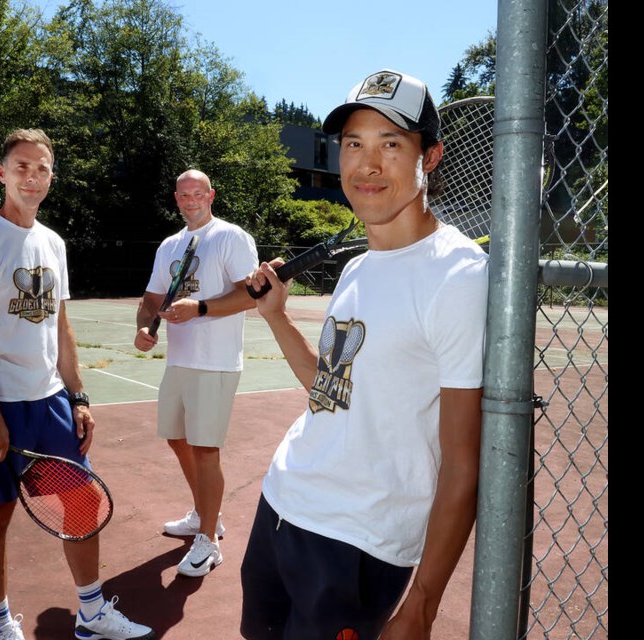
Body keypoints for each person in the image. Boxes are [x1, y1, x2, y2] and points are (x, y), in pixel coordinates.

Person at [239, 70, 489, 639]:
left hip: (359, 543)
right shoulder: (357, 268)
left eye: (390, 145)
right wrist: (275, 317)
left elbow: (462, 464)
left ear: (430, 157)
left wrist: (422, 604)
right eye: (354, 144)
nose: (366, 165)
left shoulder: (458, 278)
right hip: (281, 503)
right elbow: (331, 389)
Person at [0, 128, 154, 640]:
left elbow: (59, 327)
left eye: (41, 168)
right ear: (2, 173)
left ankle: (91, 611)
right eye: (21, 166)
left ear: (51, 177)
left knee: (80, 501)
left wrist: (77, 395)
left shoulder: (53, 243)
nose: (31, 176)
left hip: (50, 404)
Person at [134, 169, 259, 577]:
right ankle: (207, 513)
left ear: (211, 195)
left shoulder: (231, 237)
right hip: (179, 361)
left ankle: (209, 540)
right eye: (184, 195)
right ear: (176, 199)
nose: (191, 200)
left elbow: (251, 296)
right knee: (176, 437)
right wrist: (143, 326)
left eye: (197, 193)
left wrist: (200, 308)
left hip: (215, 361)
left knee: (206, 449)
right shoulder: (170, 245)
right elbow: (151, 298)